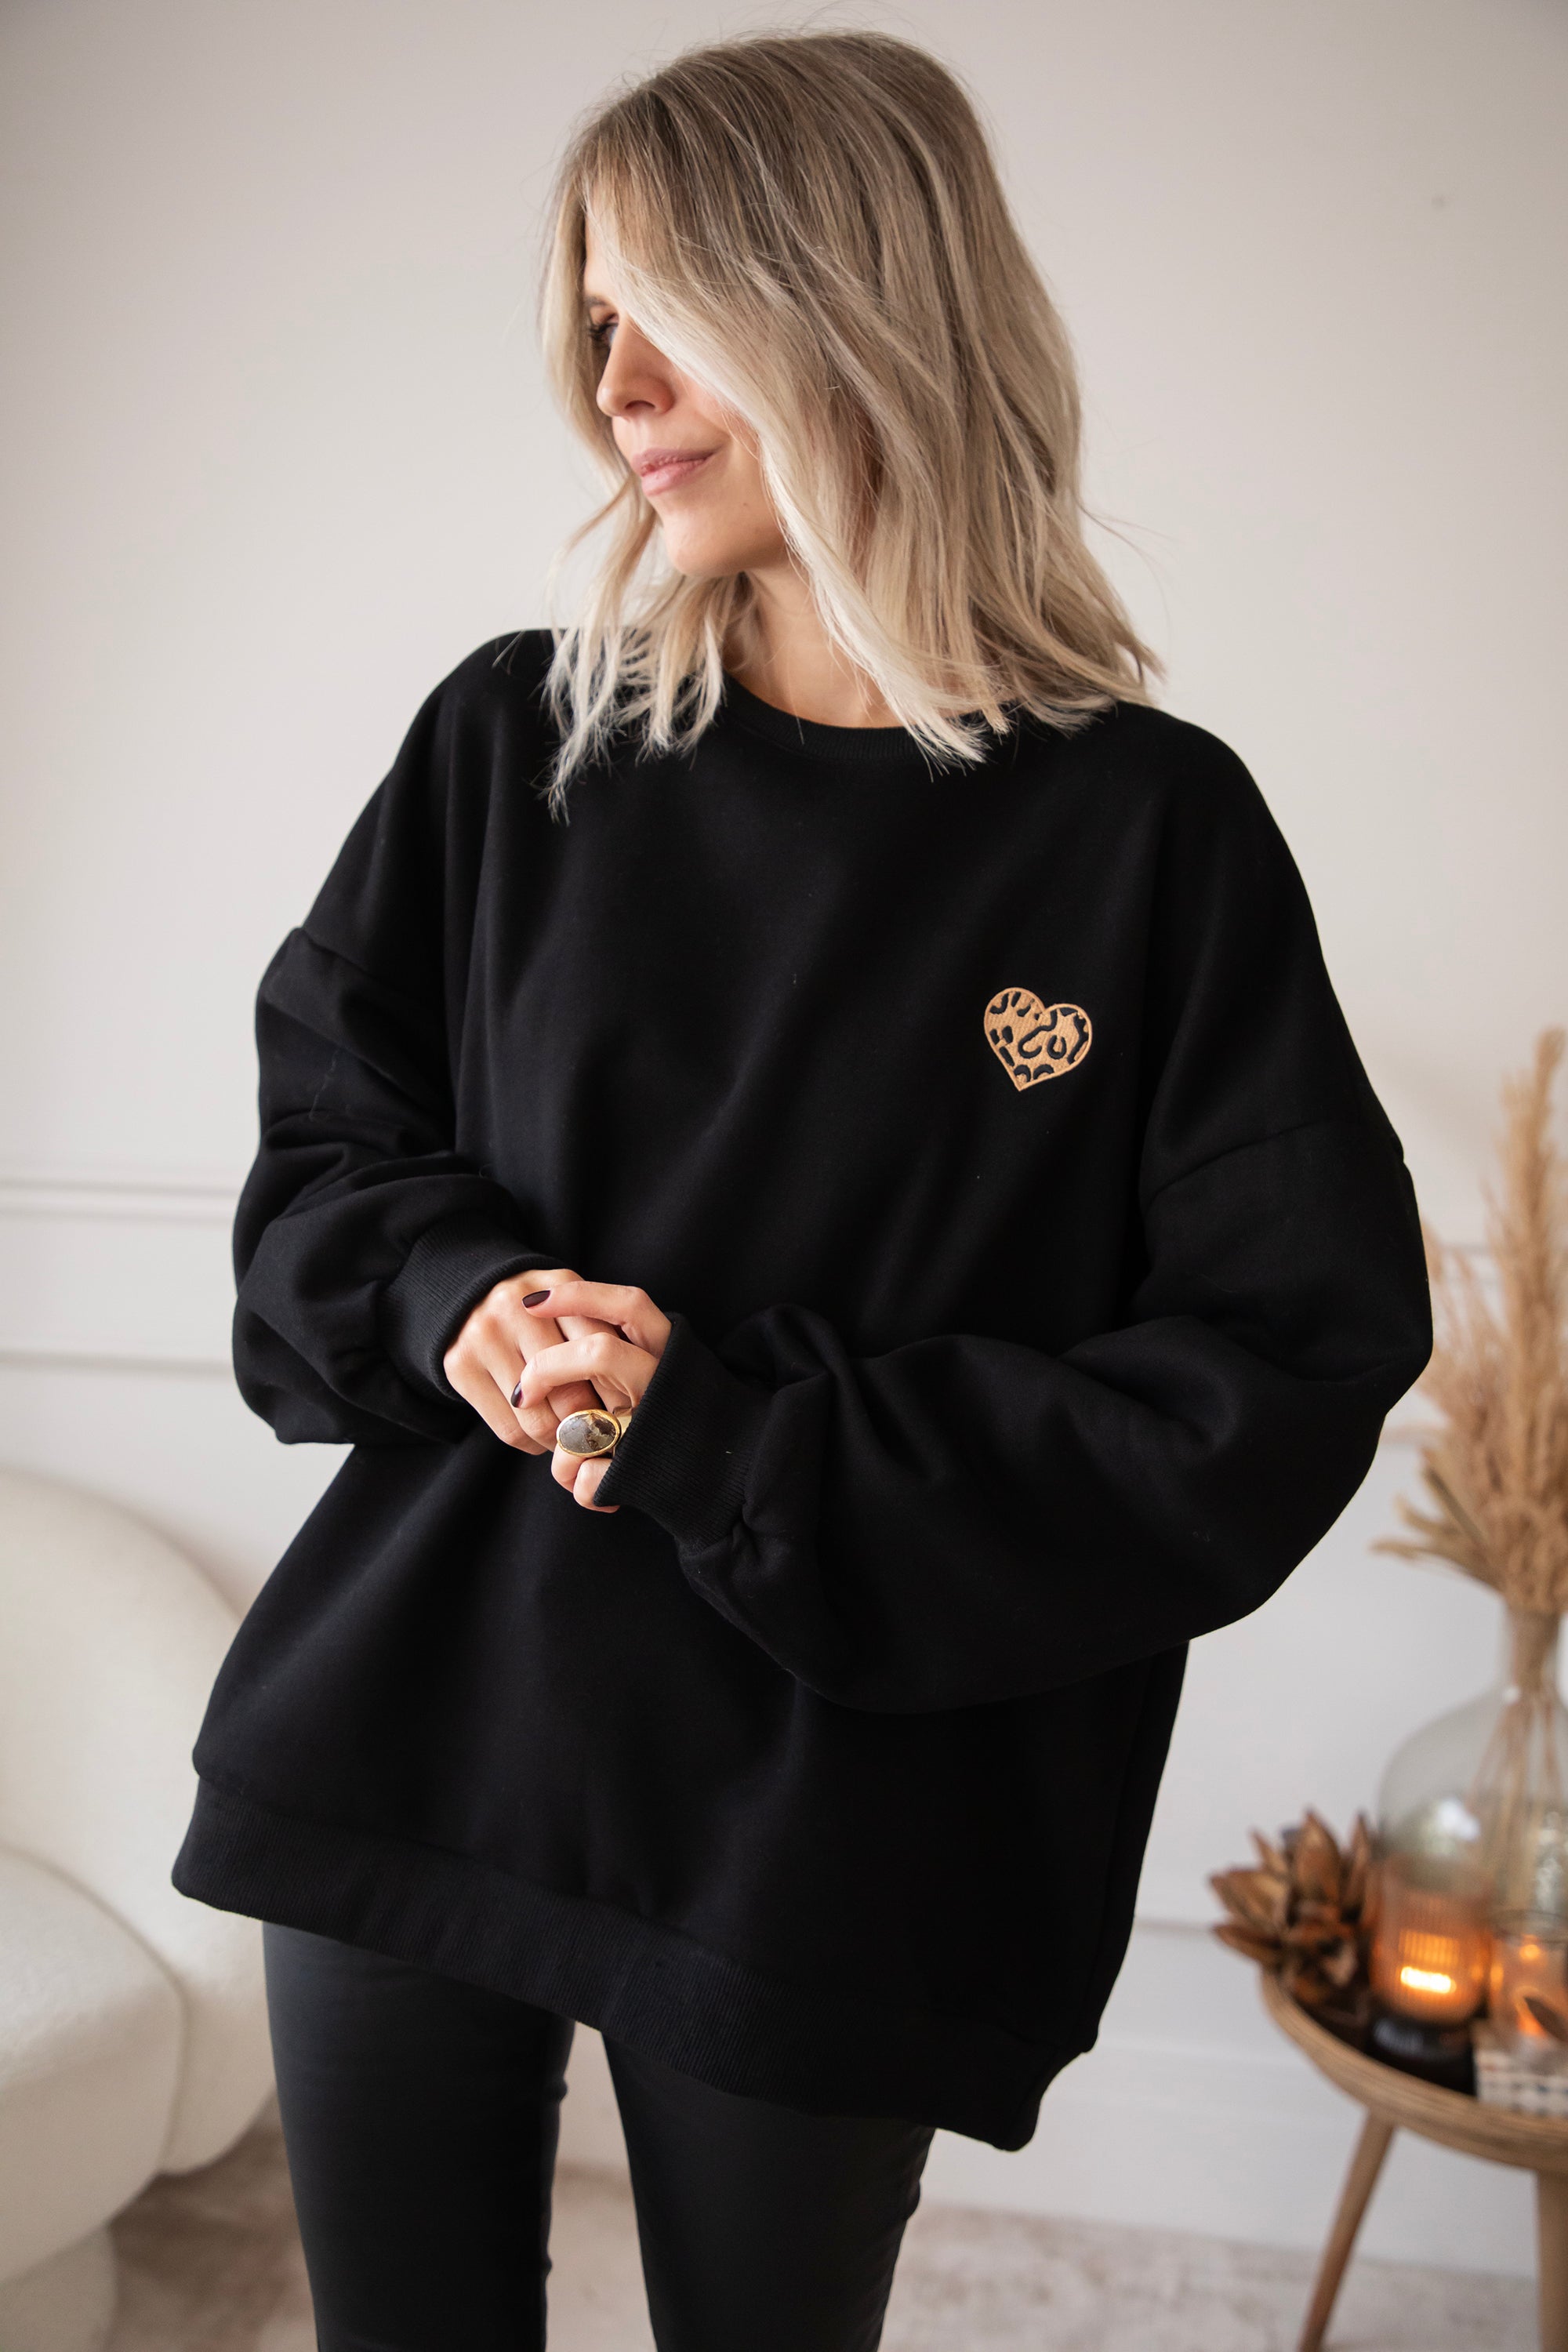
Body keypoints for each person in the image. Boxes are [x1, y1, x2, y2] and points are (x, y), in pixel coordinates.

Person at [172, 27, 1432, 2352]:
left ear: (855, 307)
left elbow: (1274, 1377)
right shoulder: (515, 744)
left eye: (665, 314)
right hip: (421, 1725)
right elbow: (322, 1158)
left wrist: (732, 1441)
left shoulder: (1147, 836)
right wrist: (461, 1300)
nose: (615, 389)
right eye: (593, 325)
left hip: (835, 1828)